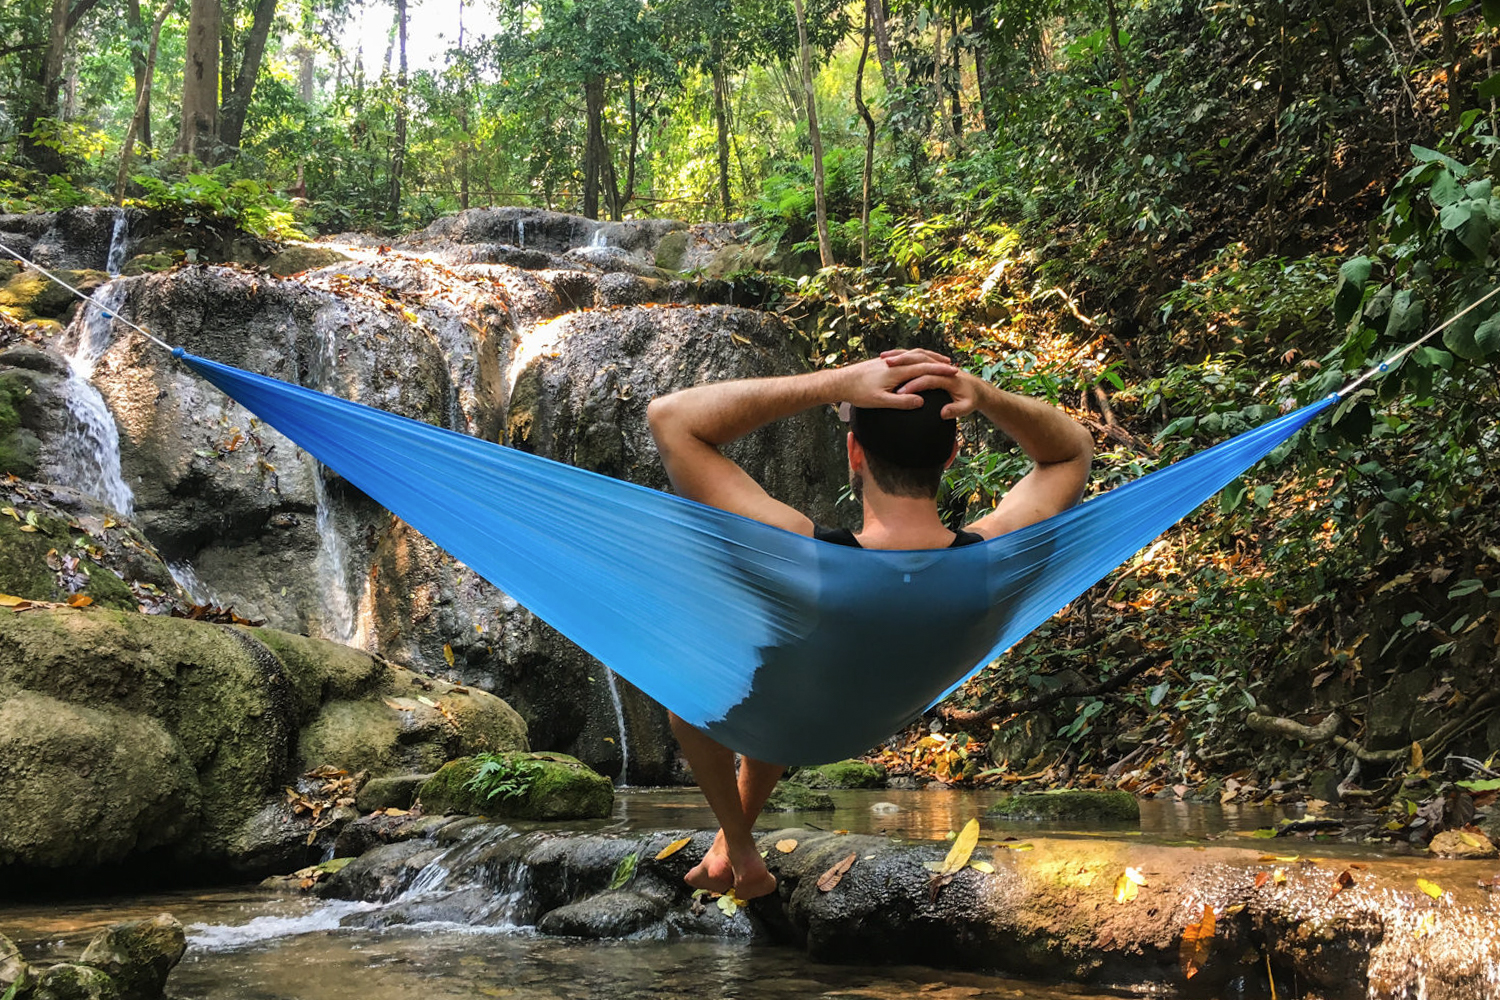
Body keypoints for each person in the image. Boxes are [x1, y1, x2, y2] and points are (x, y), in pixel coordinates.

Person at [645, 347, 1093, 901]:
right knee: (786, 657)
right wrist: (984, 393)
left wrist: (834, 381)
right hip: (868, 722)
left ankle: (739, 849)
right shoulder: (991, 560)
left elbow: (671, 418)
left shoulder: (800, 556)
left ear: (854, 451)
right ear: (952, 453)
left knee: (685, 688)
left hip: (794, 716)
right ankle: (724, 851)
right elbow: (1072, 452)